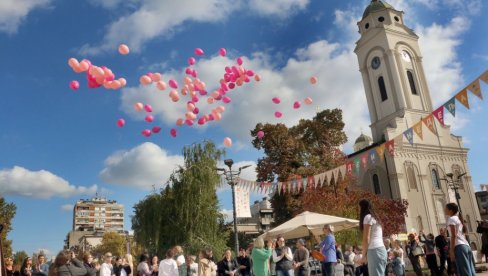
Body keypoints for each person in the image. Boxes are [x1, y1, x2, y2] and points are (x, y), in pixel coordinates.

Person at [445, 202, 476, 276]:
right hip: (466, 246)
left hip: (459, 247)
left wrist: (451, 250)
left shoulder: (451, 219)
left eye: (446, 209)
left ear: (451, 210)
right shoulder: (458, 219)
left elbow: (454, 235)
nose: (444, 210)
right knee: (470, 270)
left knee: (464, 271)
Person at [359, 199, 387, 276]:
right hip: (381, 249)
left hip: (374, 250)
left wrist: (363, 256)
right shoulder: (375, 218)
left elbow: (366, 239)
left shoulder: (367, 217)